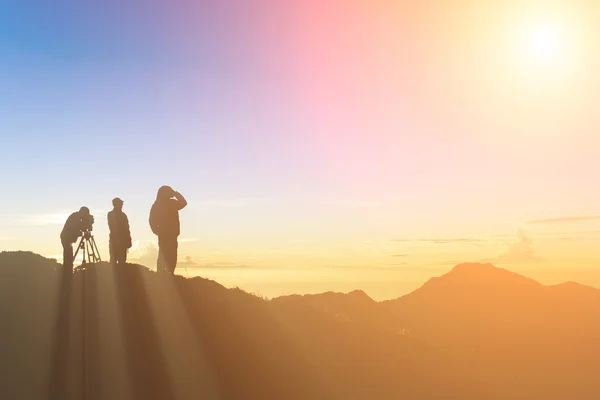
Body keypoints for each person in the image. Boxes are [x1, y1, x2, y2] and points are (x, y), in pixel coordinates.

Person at [149, 186, 187, 275]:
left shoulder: (160, 204)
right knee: (168, 254)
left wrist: (155, 230)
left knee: (166, 253)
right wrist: (176, 193)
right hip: (168, 234)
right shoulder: (169, 204)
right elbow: (183, 203)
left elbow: (151, 219)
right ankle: (166, 273)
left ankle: (165, 273)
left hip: (168, 234)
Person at [61, 206, 91, 271]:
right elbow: (77, 229)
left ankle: (68, 271)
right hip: (66, 240)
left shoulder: (76, 217)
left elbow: (79, 229)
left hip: (67, 239)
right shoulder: (75, 218)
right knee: (68, 259)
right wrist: (85, 225)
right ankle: (68, 273)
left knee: (69, 258)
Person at [108, 197, 132, 265]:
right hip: (115, 242)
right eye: (120, 204)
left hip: (122, 242)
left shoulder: (123, 215)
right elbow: (112, 227)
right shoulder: (111, 214)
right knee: (113, 262)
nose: (121, 206)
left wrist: (129, 240)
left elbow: (127, 229)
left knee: (122, 262)